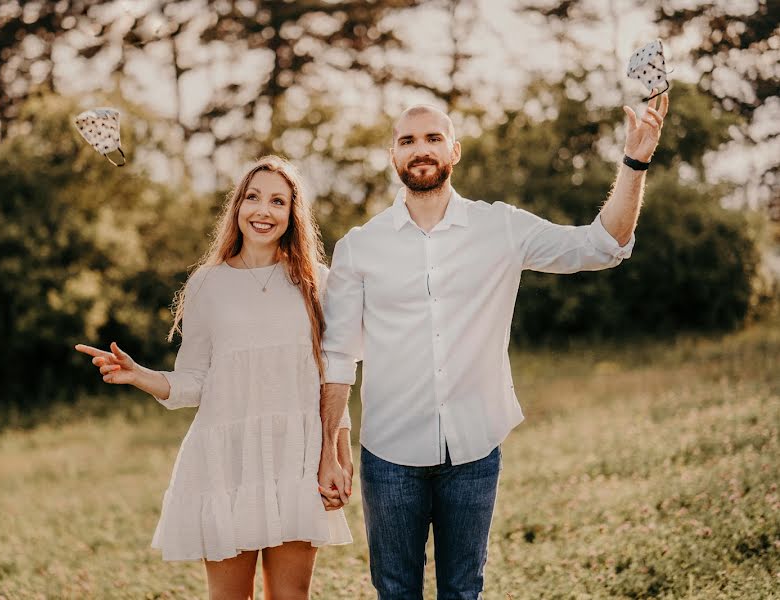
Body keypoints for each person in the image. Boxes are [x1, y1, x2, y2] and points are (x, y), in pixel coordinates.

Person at [317, 93, 669, 599]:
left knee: (464, 592)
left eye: (433, 138)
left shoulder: (500, 227)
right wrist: (329, 446)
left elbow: (602, 245)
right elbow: (337, 356)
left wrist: (634, 161)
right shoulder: (359, 247)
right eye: (408, 140)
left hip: (475, 449)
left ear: (454, 151)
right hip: (389, 455)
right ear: (393, 156)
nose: (421, 149)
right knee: (395, 592)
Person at [75, 155, 353, 600]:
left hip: (297, 458)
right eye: (253, 197)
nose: (263, 211)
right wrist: (140, 375)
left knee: (291, 596)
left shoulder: (317, 282)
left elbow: (333, 375)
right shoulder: (208, 284)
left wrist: (336, 452)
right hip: (228, 461)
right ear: (237, 206)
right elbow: (195, 381)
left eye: (277, 201)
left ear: (292, 214)